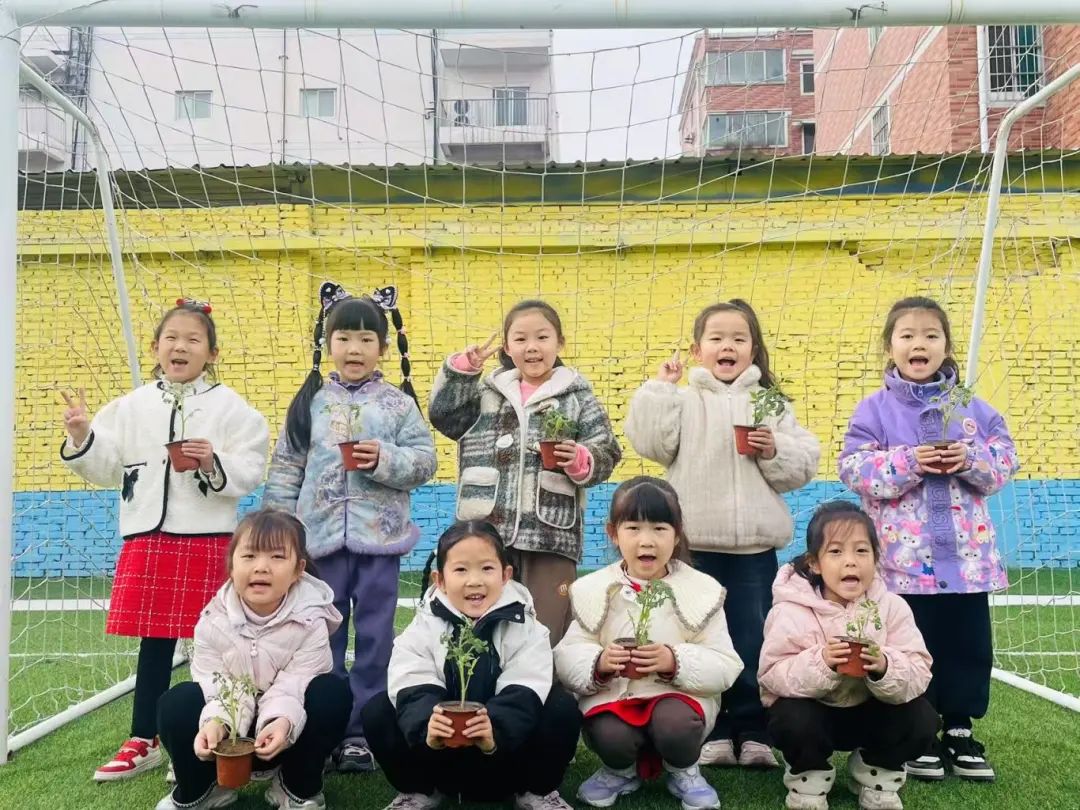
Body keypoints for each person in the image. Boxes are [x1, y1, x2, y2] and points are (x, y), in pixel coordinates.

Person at [60, 298, 268, 782]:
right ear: (155, 347)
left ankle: (206, 733)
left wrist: (212, 461)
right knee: (153, 641)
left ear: (212, 353)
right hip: (149, 535)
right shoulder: (130, 406)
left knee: (214, 641)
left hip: (208, 537)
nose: (181, 346)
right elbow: (106, 466)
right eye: (172, 338)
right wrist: (82, 435)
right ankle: (144, 738)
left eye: (194, 339)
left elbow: (250, 466)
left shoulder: (232, 408)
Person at [624, 299, 820, 768]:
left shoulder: (770, 403)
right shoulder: (684, 400)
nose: (726, 346)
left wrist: (773, 449)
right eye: (716, 338)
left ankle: (752, 729)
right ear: (698, 350)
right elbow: (650, 444)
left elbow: (801, 467)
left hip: (754, 549)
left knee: (753, 637)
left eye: (738, 338)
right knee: (696, 636)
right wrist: (660, 388)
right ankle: (711, 727)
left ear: (753, 349)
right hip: (695, 549)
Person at [839, 296, 1018, 782]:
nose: (919, 343)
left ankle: (960, 729)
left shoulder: (973, 408)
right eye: (907, 335)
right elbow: (853, 468)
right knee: (913, 645)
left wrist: (970, 458)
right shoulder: (874, 410)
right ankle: (919, 731)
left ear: (946, 346)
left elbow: (1005, 460)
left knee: (967, 647)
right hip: (902, 567)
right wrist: (909, 461)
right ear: (890, 346)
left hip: (967, 564)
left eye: (930, 335)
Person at [264, 282, 436, 772]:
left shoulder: (398, 405)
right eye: (343, 338)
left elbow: (425, 462)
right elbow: (286, 468)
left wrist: (384, 459)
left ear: (383, 347)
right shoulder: (310, 402)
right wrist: (280, 532)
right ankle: (325, 729)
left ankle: (362, 732)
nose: (354, 348)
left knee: (377, 639)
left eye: (365, 339)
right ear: (328, 343)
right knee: (322, 638)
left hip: (381, 541)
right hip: (317, 543)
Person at [429, 299, 621, 644]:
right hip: (486, 533)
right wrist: (463, 371)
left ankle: (547, 681)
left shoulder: (577, 397)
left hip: (551, 536)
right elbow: (445, 417)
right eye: (520, 339)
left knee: (547, 630)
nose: (532, 347)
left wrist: (579, 459)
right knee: (483, 630)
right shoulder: (486, 393)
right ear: (507, 347)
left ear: (560, 343)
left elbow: (607, 450)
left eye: (542, 337)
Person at [363, 520, 581, 810]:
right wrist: (429, 724)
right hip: (442, 760)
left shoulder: (527, 627)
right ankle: (420, 791)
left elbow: (526, 687)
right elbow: (411, 680)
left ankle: (536, 792)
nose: (474, 581)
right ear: (439, 580)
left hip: (504, 761)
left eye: (487, 568)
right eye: (461, 570)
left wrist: (495, 729)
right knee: (377, 711)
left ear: (506, 575)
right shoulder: (422, 627)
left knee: (562, 708)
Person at [555, 477, 743, 810]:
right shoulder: (594, 589)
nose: (647, 541)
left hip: (679, 698)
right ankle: (619, 770)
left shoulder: (701, 590)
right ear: (613, 533)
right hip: (615, 695)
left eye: (659, 528)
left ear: (677, 534)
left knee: (676, 725)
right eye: (633, 528)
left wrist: (675, 661)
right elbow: (568, 653)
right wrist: (599, 662)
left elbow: (726, 663)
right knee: (610, 733)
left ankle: (683, 769)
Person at [155, 508, 352, 809]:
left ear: (298, 569)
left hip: (286, 733)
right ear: (232, 566)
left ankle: (294, 787)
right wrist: (217, 723)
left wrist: (282, 723)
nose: (261, 567)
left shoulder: (312, 621)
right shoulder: (211, 621)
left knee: (332, 693)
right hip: (230, 732)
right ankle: (203, 788)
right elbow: (215, 685)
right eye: (248, 556)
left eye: (277, 556)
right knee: (176, 702)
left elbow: (296, 684)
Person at [759, 501, 938, 810]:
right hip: (816, 713)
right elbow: (772, 674)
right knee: (791, 718)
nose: (851, 562)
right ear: (815, 563)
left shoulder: (892, 607)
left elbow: (920, 670)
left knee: (922, 718)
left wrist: (884, 666)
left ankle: (874, 770)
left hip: (872, 711)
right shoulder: (789, 610)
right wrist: (822, 661)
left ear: (876, 559)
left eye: (861, 551)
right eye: (836, 552)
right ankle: (809, 775)